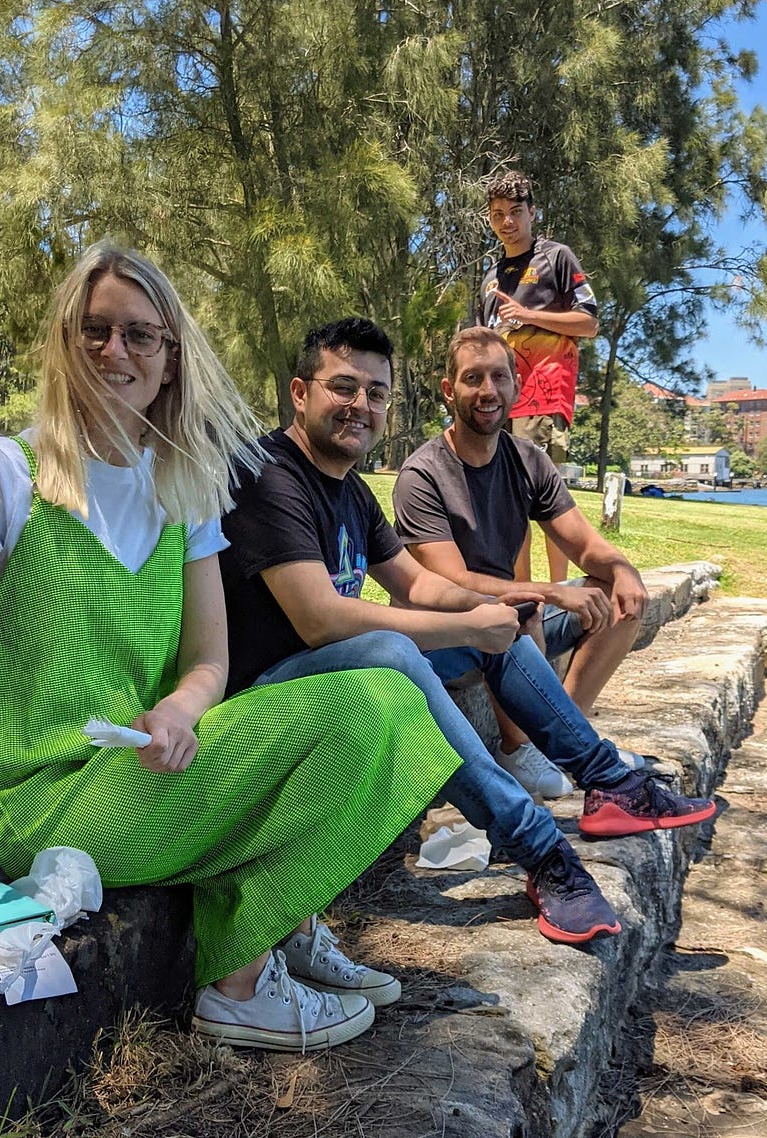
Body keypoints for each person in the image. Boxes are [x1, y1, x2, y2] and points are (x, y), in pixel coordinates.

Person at [0, 244, 466, 1053]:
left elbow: (207, 661)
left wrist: (181, 709)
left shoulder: (183, 486)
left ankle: (281, 925)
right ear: (65, 342)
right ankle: (241, 985)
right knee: (367, 705)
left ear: (171, 359)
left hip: (147, 770)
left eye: (141, 336)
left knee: (388, 699)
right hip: (51, 810)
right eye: (95, 329)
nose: (116, 352)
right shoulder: (7, 475)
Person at [220, 317, 716, 946]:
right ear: (300, 392)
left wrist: (484, 614)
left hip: (327, 678)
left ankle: (609, 782)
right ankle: (542, 853)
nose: (360, 406)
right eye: (343, 388)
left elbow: (418, 585)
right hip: (262, 696)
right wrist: (471, 613)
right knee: (395, 649)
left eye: (375, 393)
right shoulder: (270, 473)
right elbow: (319, 618)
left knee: (488, 623)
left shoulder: (349, 489)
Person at [393, 325, 648, 798]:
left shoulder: (529, 461)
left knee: (617, 595)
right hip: (447, 637)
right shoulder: (422, 474)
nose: (487, 391)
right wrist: (549, 592)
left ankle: (565, 738)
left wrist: (622, 569)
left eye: (498, 377)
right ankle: (517, 748)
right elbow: (447, 579)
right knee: (519, 609)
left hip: (514, 620)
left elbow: (584, 543)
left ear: (516, 385)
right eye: (473, 378)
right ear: (450, 391)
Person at [477, 170, 598, 583]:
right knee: (509, 501)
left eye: (514, 212)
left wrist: (527, 315)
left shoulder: (556, 257)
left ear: (532, 212)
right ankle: (524, 592)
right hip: (499, 399)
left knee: (544, 496)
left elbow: (589, 322)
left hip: (544, 394)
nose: (507, 222)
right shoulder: (491, 277)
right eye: (497, 214)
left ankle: (558, 590)